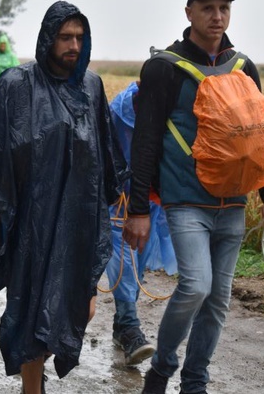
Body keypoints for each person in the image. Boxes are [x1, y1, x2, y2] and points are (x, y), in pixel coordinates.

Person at [123, 0, 264, 394]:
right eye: (208, 8)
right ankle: (161, 369)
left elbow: (258, 136)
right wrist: (138, 209)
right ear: (189, 12)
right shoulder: (164, 68)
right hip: (185, 201)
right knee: (196, 285)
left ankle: (195, 381)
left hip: (233, 202)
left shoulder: (244, 67)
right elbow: (145, 142)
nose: (217, 16)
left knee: (218, 300)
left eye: (224, 8)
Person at [0, 1, 128, 394]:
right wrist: (2, 215)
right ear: (47, 38)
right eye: (65, 37)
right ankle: (31, 389)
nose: (73, 45)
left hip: (78, 222)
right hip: (31, 224)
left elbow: (104, 154)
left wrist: (120, 198)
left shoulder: (91, 86)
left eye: (79, 37)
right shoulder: (16, 86)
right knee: (31, 308)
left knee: (78, 307)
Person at [104, 81, 177, 367]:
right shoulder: (118, 111)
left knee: (140, 260)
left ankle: (122, 325)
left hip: (152, 200)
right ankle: (131, 329)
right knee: (124, 255)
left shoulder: (177, 110)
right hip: (119, 199)